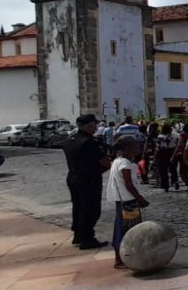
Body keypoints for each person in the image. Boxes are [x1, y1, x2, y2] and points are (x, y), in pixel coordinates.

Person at [62, 114, 111, 249]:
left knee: (78, 207)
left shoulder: (70, 140)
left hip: (73, 176)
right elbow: (106, 162)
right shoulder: (88, 142)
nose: (96, 127)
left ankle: (78, 235)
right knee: (91, 209)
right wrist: (100, 169)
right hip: (88, 179)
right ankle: (87, 238)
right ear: (90, 126)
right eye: (94, 125)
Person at [107, 135, 149, 269]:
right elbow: (129, 184)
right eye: (136, 145)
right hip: (128, 201)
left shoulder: (118, 161)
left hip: (123, 200)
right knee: (128, 230)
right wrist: (140, 198)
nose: (138, 147)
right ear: (128, 148)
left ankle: (124, 257)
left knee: (123, 228)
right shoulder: (125, 164)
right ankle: (120, 259)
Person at [154, 123, 178, 191]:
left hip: (163, 152)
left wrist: (155, 157)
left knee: (163, 170)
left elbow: (157, 148)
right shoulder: (174, 136)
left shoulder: (160, 137)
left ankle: (165, 185)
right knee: (173, 168)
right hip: (172, 152)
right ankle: (175, 181)